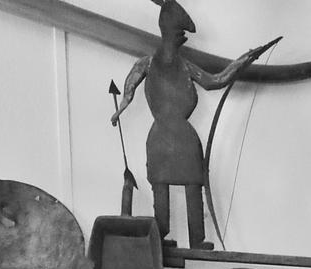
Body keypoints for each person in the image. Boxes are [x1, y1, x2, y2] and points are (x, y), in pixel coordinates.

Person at [110, 0, 275, 249]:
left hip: (183, 138)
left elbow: (216, 80)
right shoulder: (147, 64)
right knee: (160, 186)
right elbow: (129, 90)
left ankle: (196, 238)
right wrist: (120, 110)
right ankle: (160, 236)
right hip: (160, 138)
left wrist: (243, 60)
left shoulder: (183, 66)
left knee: (193, 184)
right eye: (178, 34)